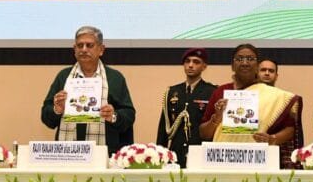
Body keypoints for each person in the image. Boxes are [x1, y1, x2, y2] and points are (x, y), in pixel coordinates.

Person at [200, 44, 303, 168]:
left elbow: (290, 129)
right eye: (239, 59)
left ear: (257, 65)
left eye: (250, 59)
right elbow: (204, 134)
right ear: (232, 65)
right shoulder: (220, 92)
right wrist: (217, 118)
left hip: (259, 160)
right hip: (224, 160)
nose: (245, 63)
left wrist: (272, 139)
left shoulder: (273, 95)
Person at [41, 26, 135, 155]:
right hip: (67, 155)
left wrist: (113, 116)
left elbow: (129, 115)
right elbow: (46, 117)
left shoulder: (115, 78)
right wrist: (57, 109)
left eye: (89, 45)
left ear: (101, 50)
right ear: (74, 50)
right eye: (80, 45)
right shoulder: (63, 77)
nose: (84, 49)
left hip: (104, 154)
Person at [156, 48, 217, 167]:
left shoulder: (211, 92)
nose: (190, 65)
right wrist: (160, 155)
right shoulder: (172, 92)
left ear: (204, 66)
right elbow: (164, 127)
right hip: (176, 153)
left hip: (200, 153)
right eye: (187, 61)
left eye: (196, 62)